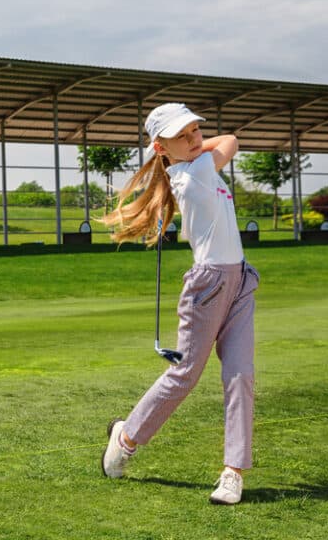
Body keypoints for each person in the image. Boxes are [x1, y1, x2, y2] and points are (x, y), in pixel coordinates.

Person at [100, 102, 260, 505]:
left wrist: (189, 149)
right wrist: (195, 153)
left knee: (241, 375)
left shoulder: (193, 166)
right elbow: (229, 142)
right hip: (208, 286)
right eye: (181, 135)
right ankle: (126, 437)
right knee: (185, 374)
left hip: (239, 279)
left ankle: (232, 472)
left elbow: (229, 139)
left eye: (194, 131)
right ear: (160, 147)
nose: (193, 139)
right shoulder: (194, 175)